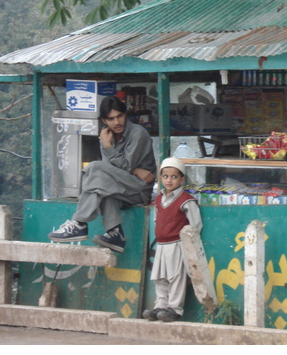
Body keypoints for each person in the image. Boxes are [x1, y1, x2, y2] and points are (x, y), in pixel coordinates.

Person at [48, 95, 156, 253]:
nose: (117, 122)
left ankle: (79, 223)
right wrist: (134, 169)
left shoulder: (138, 134)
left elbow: (122, 165)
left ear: (125, 115)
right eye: (111, 119)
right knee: (102, 187)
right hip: (122, 186)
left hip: (139, 189)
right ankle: (115, 234)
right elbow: (112, 168)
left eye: (119, 116)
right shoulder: (107, 136)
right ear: (104, 120)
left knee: (94, 168)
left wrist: (108, 146)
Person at [142, 157, 202, 322]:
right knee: (160, 277)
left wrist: (188, 244)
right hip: (161, 244)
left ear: (182, 179)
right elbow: (157, 218)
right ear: (161, 178)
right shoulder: (159, 199)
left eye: (174, 177)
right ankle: (160, 306)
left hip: (177, 244)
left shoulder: (186, 200)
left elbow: (195, 224)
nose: (169, 180)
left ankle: (174, 308)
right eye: (166, 176)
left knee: (176, 277)